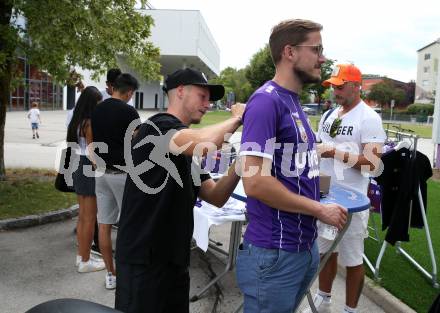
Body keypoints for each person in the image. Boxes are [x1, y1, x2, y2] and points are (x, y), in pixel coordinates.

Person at [235, 19, 348, 313]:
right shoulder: (265, 102)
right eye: (316, 49)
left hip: (301, 246)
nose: (322, 58)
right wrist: (319, 210)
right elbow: (255, 182)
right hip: (275, 251)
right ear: (290, 52)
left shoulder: (293, 101)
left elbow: (294, 172)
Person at [114, 68, 245, 313]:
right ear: (181, 91)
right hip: (144, 261)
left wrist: (242, 161)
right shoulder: (157, 127)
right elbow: (205, 144)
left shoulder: (183, 150)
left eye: (209, 99)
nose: (207, 104)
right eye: (202, 96)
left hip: (173, 260)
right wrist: (238, 117)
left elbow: (216, 196)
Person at [308, 63, 386, 313]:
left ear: (356, 86)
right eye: (333, 86)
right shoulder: (331, 114)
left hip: (353, 199)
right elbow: (322, 146)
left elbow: (372, 164)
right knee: (325, 251)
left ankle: (350, 310)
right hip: (325, 192)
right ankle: (323, 299)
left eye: (341, 86)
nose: (335, 91)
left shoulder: (369, 118)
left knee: (352, 258)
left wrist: (333, 152)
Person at [91, 73, 141, 290]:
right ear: (129, 92)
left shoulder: (98, 108)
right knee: (129, 226)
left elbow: (92, 139)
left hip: (101, 173)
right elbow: (138, 140)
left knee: (104, 224)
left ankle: (111, 274)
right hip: (122, 174)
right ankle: (128, 274)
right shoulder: (129, 111)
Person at [67, 86, 106, 273]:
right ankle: (85, 260)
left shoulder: (76, 121)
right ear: (92, 103)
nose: (100, 106)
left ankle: (81, 256)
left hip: (77, 165)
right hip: (88, 167)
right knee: (90, 218)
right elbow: (92, 153)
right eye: (98, 103)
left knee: (83, 217)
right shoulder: (89, 123)